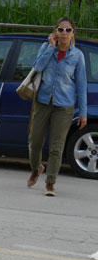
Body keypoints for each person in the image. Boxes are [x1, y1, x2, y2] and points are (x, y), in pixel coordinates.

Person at [27, 17, 87, 197]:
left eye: (68, 30)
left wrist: (83, 111)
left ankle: (50, 182)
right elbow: (38, 66)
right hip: (43, 102)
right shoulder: (47, 48)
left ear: (73, 33)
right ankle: (37, 168)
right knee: (34, 142)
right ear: (56, 32)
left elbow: (81, 85)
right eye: (61, 29)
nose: (64, 33)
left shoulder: (77, 56)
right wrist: (51, 46)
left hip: (64, 106)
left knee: (56, 147)